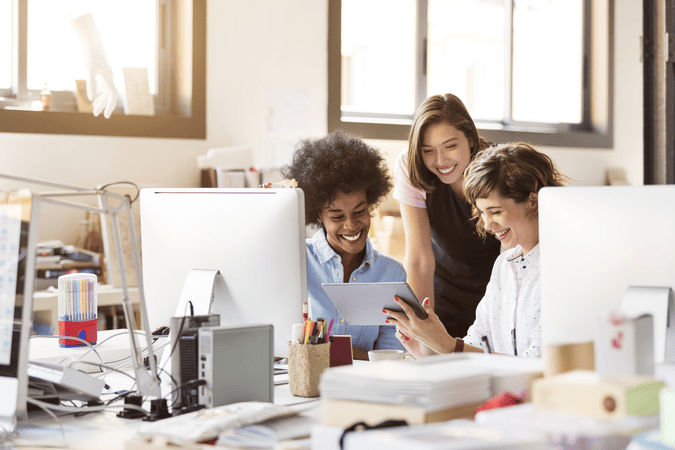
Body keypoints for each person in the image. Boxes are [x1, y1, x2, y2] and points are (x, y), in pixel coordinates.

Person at [385, 143, 568, 358]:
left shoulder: (563, 268)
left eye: (496, 211)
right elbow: (477, 342)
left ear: (533, 201)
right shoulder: (504, 265)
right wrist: (431, 351)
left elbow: (538, 366)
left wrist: (448, 346)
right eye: (482, 213)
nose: (488, 225)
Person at [282, 130, 406, 360]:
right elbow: (281, 345)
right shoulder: (296, 260)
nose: (351, 225)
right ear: (318, 215)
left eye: (359, 212)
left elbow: (391, 356)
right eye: (337, 216)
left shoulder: (392, 273)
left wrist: (330, 351)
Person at [393, 93, 500, 338]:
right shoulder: (410, 167)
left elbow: (512, 257)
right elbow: (419, 259)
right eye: (428, 150)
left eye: (450, 146)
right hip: (444, 296)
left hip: (496, 293)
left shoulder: (498, 167)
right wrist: (420, 329)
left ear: (471, 139)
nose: (440, 161)